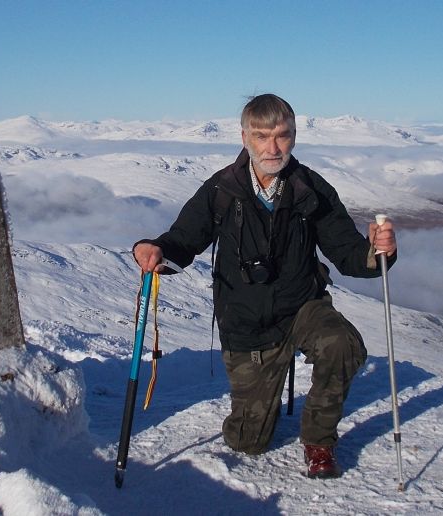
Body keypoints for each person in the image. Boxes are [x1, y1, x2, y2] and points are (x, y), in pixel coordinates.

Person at [133, 93, 397, 479]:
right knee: (249, 442)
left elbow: (347, 253)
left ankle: (320, 440)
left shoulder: (312, 189)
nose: (273, 147)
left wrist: (378, 252)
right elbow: (184, 239)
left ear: (294, 136)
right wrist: (155, 249)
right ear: (244, 137)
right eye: (261, 136)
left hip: (302, 306)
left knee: (343, 343)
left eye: (282, 135)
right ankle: (260, 403)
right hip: (247, 321)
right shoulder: (222, 190)